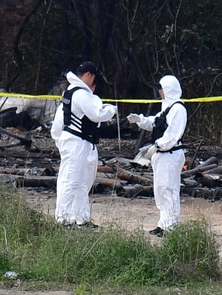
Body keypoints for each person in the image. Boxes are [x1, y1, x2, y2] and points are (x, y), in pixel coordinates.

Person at [49, 61, 118, 227]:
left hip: (81, 141)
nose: (94, 85)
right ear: (89, 75)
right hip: (76, 142)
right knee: (70, 180)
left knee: (83, 182)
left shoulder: (71, 92)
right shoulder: (80, 93)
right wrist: (111, 110)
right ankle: (63, 219)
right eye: (94, 80)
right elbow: (96, 114)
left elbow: (58, 124)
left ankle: (81, 218)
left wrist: (60, 140)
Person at [127, 75, 188, 236]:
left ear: (169, 89)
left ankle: (172, 226)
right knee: (160, 190)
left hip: (170, 154)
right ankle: (163, 223)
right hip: (162, 155)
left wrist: (157, 146)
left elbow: (173, 134)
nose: (160, 92)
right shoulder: (166, 108)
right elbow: (155, 123)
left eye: (161, 88)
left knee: (169, 190)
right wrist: (140, 120)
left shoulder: (178, 109)